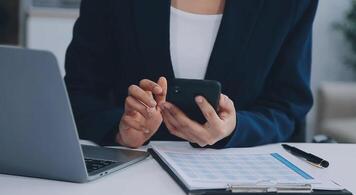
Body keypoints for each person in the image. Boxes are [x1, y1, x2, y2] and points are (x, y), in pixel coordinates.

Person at [65, 0, 318, 148]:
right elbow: (78, 93)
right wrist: (120, 131)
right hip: (130, 175)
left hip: (236, 178)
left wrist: (235, 127)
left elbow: (288, 106)